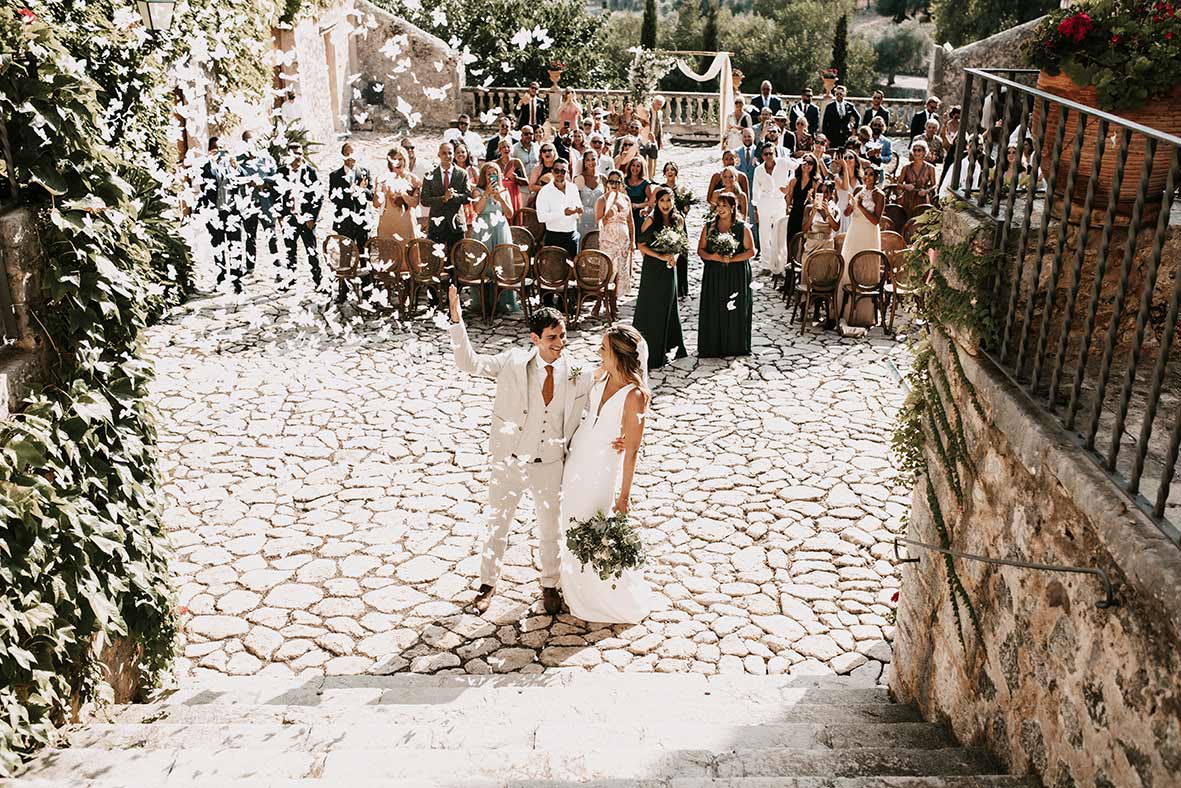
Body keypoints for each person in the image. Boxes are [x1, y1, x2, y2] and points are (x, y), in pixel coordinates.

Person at [446, 288, 599, 616]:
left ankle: (549, 585)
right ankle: (487, 585)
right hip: (511, 460)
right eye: (552, 338)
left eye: (563, 336)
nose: (560, 343)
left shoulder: (579, 372)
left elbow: (600, 403)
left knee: (550, 529)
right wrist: (456, 320)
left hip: (551, 463)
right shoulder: (512, 362)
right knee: (497, 523)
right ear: (535, 338)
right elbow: (469, 363)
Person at [559, 325, 654, 624]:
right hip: (577, 460)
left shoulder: (635, 396)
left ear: (618, 355)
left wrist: (623, 496)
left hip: (602, 469)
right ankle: (574, 589)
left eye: (603, 349)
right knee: (570, 520)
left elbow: (633, 450)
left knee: (594, 526)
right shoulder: (600, 375)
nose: (599, 353)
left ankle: (601, 596)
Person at [633, 186, 688, 369]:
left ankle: (668, 345)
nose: (666, 204)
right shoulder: (650, 221)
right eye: (662, 200)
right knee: (651, 306)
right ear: (657, 202)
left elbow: (682, 244)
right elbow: (641, 245)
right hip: (653, 267)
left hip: (669, 268)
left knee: (668, 305)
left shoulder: (678, 220)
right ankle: (650, 350)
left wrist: (675, 257)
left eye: (669, 200)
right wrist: (659, 256)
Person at [696, 191, 756, 358]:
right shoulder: (709, 226)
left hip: (736, 274)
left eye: (724, 206)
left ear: (732, 208)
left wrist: (733, 258)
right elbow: (700, 250)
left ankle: (735, 345)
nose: (720, 209)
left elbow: (751, 251)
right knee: (714, 308)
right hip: (714, 274)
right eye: (718, 205)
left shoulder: (741, 227)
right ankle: (712, 346)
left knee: (734, 308)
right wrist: (713, 257)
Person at [469, 162, 519, 316]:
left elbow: (510, 214)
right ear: (484, 176)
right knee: (484, 264)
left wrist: (501, 199)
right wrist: (486, 194)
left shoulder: (503, 191)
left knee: (502, 263)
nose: (492, 176)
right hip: (483, 228)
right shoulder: (478, 191)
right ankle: (484, 302)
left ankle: (503, 301)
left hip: (500, 229)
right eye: (489, 173)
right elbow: (477, 209)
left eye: (494, 173)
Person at [838, 162, 884, 330]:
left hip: (869, 233)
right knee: (849, 264)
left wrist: (862, 206)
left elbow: (876, 220)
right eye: (866, 173)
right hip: (854, 232)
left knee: (866, 267)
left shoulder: (879, 195)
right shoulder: (858, 190)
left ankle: (865, 314)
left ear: (876, 177)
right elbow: (847, 213)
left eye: (871, 174)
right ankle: (845, 310)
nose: (867, 177)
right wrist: (851, 204)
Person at [328, 142, 374, 302]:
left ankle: (368, 292)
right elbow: (332, 197)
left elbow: (371, 194)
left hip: (362, 222)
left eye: (353, 154)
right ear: (343, 156)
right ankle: (344, 292)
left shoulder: (364, 172)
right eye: (347, 154)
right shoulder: (335, 175)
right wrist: (349, 193)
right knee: (345, 257)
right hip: (345, 222)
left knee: (364, 256)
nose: (351, 158)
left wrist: (362, 190)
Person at [276, 144, 323, 292]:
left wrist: (312, 218)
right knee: (290, 251)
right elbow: (276, 195)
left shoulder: (310, 172)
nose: (298, 157)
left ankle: (318, 280)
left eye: (300, 154)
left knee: (312, 251)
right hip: (289, 219)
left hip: (306, 219)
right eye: (294, 154)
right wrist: (281, 215)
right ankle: (290, 279)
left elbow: (318, 196)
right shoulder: (281, 172)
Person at [199, 137, 242, 293]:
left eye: (223, 148)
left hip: (232, 212)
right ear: (211, 150)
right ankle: (221, 279)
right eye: (217, 148)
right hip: (215, 213)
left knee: (235, 246)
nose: (220, 151)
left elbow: (243, 179)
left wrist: (235, 167)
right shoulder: (206, 165)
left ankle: (237, 281)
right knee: (219, 247)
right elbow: (204, 181)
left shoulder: (233, 165)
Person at [420, 141, 470, 259]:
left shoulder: (462, 174)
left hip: (456, 223)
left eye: (450, 153)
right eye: (444, 153)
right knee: (435, 260)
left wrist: (454, 197)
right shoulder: (430, 174)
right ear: (439, 155)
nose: (447, 156)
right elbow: (424, 200)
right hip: (437, 224)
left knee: (457, 259)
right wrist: (443, 199)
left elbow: (468, 197)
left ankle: (455, 278)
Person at [237, 130, 277, 275]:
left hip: (266, 203)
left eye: (251, 141)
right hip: (249, 204)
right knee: (250, 236)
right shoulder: (239, 162)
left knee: (271, 235)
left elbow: (276, 178)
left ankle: (277, 267)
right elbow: (234, 181)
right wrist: (248, 183)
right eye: (246, 142)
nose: (249, 145)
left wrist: (263, 182)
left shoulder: (266, 160)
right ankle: (250, 267)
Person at [782, 154, 820, 290]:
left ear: (813, 166)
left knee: (804, 246)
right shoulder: (794, 180)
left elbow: (818, 202)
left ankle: (803, 280)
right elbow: (789, 198)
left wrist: (811, 200)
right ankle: (789, 282)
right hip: (795, 215)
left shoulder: (816, 183)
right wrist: (787, 204)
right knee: (791, 246)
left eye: (810, 163)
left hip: (807, 216)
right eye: (804, 163)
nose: (807, 165)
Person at [751, 143, 790, 277]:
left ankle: (780, 266)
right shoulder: (759, 170)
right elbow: (755, 190)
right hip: (765, 202)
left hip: (779, 200)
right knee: (764, 233)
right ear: (762, 156)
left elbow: (798, 167)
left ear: (775, 153)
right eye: (766, 154)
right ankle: (766, 265)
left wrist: (789, 185)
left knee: (780, 232)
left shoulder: (783, 163)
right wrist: (755, 208)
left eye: (771, 153)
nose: (768, 156)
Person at [597, 169, 635, 298]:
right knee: (606, 271)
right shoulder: (602, 200)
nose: (614, 184)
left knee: (621, 270)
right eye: (611, 181)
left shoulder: (626, 199)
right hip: (608, 239)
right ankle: (600, 300)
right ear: (607, 183)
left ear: (622, 184)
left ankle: (614, 300)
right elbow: (598, 221)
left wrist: (633, 241)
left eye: (617, 182)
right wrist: (607, 214)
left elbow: (630, 221)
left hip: (623, 240)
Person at [535, 160, 582, 258]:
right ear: (552, 172)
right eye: (557, 171)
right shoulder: (544, 192)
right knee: (554, 271)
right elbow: (541, 217)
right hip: (554, 237)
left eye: (563, 171)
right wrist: (563, 213)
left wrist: (578, 211)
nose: (560, 174)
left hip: (572, 235)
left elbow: (578, 209)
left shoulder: (573, 188)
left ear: (567, 172)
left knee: (571, 270)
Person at [373, 146, 420, 244]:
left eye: (400, 159)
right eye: (394, 159)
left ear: (405, 160)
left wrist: (403, 194)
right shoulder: (382, 179)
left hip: (406, 225)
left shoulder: (414, 179)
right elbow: (376, 204)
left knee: (407, 256)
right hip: (387, 224)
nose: (397, 162)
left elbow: (415, 203)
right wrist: (378, 194)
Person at [663, 161, 692, 299]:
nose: (670, 172)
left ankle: (681, 288)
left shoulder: (682, 189)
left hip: (679, 223)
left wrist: (685, 209)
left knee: (681, 255)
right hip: (664, 223)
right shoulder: (661, 188)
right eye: (667, 170)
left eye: (672, 169)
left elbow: (686, 208)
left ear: (676, 172)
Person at [802, 180, 840, 261]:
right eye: (820, 191)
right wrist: (812, 214)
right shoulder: (809, 208)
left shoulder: (835, 209)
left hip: (827, 245)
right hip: (812, 245)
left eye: (826, 192)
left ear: (831, 194)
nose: (823, 195)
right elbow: (804, 230)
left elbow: (836, 228)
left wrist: (828, 213)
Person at [899, 139, 937, 215]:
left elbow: (934, 185)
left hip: (922, 200)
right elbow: (898, 184)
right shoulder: (906, 168)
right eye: (914, 150)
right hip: (907, 199)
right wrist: (905, 186)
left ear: (924, 152)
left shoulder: (930, 168)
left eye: (919, 150)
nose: (916, 152)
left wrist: (926, 191)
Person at [493, 138, 528, 217]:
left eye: (508, 147)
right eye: (503, 147)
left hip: (513, 195)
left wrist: (517, 179)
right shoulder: (494, 163)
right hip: (499, 196)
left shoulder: (516, 162)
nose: (506, 149)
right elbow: (491, 181)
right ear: (499, 150)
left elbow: (526, 182)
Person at [575, 151, 604, 241]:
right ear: (584, 162)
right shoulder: (579, 178)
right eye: (588, 160)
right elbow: (575, 200)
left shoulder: (603, 178)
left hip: (599, 219)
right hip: (583, 219)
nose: (591, 162)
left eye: (593, 159)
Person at [822, 85, 861, 150]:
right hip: (833, 136)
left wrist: (854, 130)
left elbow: (858, 117)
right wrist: (826, 138)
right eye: (837, 94)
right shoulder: (830, 107)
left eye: (840, 94)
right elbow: (825, 123)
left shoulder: (850, 106)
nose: (839, 95)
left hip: (846, 135)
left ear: (844, 94)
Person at [622, 157, 652, 242]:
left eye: (638, 166)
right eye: (633, 165)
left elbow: (651, 202)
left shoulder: (645, 183)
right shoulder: (624, 181)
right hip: (626, 213)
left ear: (641, 168)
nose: (635, 168)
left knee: (638, 239)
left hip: (639, 214)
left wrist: (637, 205)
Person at [833, 147, 861, 234]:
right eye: (845, 158)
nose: (847, 160)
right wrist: (844, 166)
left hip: (856, 211)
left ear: (856, 162)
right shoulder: (837, 178)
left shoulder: (860, 178)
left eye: (850, 157)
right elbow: (845, 187)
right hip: (842, 211)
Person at [937, 105, 962, 190]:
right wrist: (944, 123)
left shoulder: (961, 125)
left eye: (959, 117)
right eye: (956, 117)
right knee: (946, 171)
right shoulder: (948, 124)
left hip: (959, 150)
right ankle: (940, 189)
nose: (957, 120)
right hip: (950, 150)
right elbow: (943, 136)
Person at [645, 95, 665, 179]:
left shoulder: (660, 113)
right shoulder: (648, 110)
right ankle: (647, 176)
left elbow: (660, 126)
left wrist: (661, 140)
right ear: (653, 103)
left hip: (655, 137)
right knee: (647, 157)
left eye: (661, 105)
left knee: (654, 157)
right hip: (646, 136)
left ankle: (652, 176)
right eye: (658, 104)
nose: (659, 106)